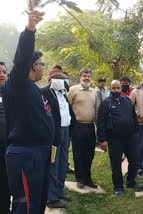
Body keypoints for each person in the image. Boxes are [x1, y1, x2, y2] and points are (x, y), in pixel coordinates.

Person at [2, 10, 55, 213]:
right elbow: (21, 58)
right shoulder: (18, 84)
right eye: (42, 64)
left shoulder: (35, 88)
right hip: (26, 153)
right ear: (33, 66)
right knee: (25, 206)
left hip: (41, 152)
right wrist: (30, 29)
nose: (43, 67)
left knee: (38, 203)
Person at [97, 80, 143, 195]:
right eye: (114, 88)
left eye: (118, 88)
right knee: (116, 163)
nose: (116, 90)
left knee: (135, 160)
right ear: (110, 89)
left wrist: (136, 133)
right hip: (115, 139)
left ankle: (131, 182)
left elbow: (134, 118)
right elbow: (101, 123)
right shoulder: (105, 104)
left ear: (121, 88)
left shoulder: (127, 101)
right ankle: (118, 187)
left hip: (131, 137)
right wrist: (102, 140)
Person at [42, 66, 75, 208]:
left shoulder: (63, 93)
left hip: (65, 130)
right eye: (56, 78)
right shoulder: (44, 93)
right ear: (50, 79)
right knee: (53, 165)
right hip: (54, 133)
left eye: (61, 78)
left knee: (63, 162)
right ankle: (51, 197)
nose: (59, 80)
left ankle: (59, 191)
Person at [67, 68, 98, 189]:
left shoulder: (94, 92)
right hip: (77, 126)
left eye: (89, 76)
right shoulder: (73, 90)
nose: (86, 78)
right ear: (80, 77)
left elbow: (96, 110)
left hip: (90, 126)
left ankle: (88, 178)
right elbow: (67, 107)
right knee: (78, 153)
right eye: (84, 76)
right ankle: (80, 179)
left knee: (89, 154)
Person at [0, 61, 10, 214]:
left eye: (4, 72)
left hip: (9, 152)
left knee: (6, 187)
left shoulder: (12, 95)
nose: (1, 75)